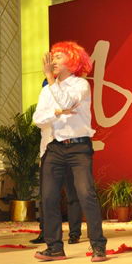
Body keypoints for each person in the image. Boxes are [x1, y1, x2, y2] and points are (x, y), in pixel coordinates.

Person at [32, 41, 108, 262]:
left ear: (72, 61)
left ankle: (98, 245)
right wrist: (56, 113)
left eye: (58, 57)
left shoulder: (80, 85)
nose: (53, 61)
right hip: (54, 147)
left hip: (78, 147)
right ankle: (54, 247)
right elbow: (38, 119)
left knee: (86, 194)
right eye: (52, 57)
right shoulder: (47, 90)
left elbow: (66, 101)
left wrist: (50, 80)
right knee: (48, 197)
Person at [31, 78, 82, 245]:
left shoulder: (69, 104)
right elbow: (41, 127)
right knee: (46, 196)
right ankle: (45, 232)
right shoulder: (45, 111)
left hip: (69, 152)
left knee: (72, 195)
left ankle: (74, 232)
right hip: (48, 155)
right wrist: (41, 157)